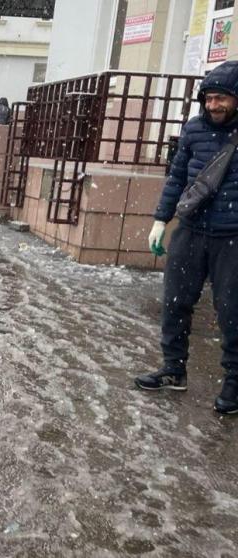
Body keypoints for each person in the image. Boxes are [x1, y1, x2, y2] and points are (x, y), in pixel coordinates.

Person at [135, 60, 238, 414]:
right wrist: (160, 221)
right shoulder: (194, 130)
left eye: (221, 99)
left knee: (231, 314)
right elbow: (177, 178)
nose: (214, 106)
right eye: (209, 99)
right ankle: (173, 369)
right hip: (191, 230)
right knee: (176, 301)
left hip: (232, 237)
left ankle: (234, 385)